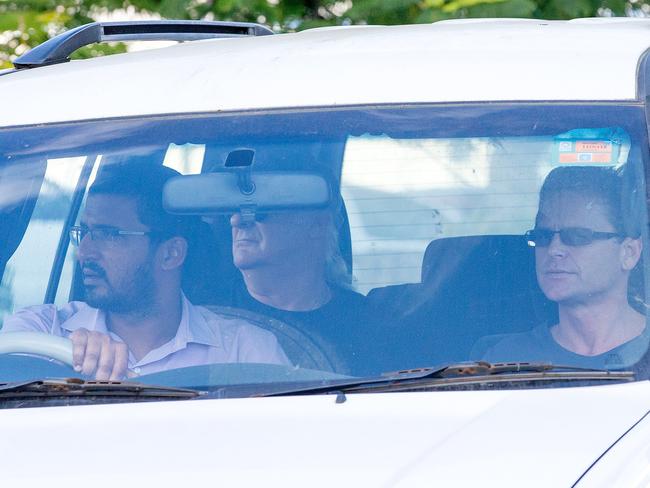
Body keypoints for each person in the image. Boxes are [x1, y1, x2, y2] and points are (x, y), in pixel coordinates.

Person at [2, 164, 290, 379]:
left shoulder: (245, 352)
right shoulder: (42, 332)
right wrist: (61, 366)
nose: (85, 252)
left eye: (110, 234)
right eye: (86, 232)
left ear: (170, 253)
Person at [475, 165, 648, 369]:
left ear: (629, 252)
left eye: (577, 236)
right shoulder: (504, 361)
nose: (554, 249)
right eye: (543, 236)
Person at [222, 205, 377, 375]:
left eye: (260, 209)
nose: (235, 220)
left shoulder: (372, 326)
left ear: (317, 224)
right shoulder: (203, 326)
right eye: (233, 210)